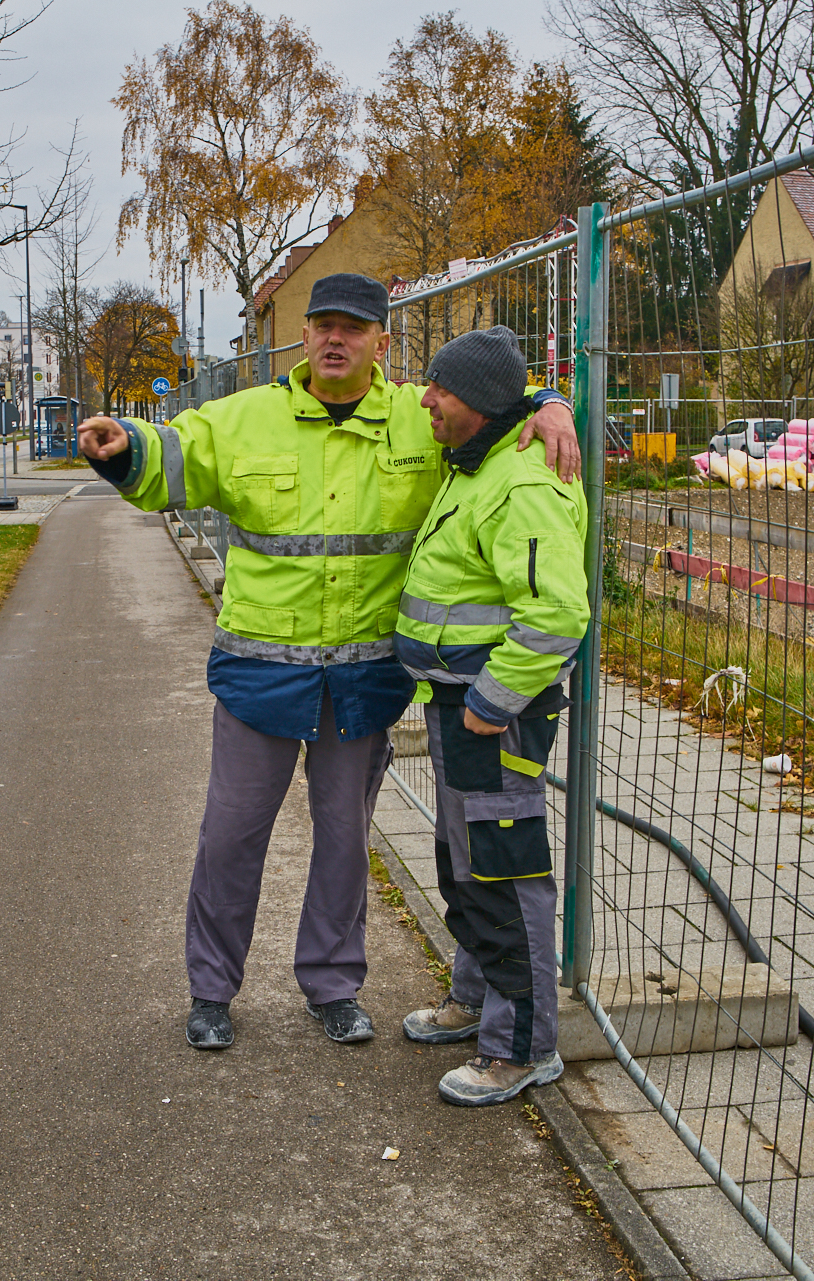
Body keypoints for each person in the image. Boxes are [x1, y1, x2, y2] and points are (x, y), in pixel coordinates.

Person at [77, 273, 578, 1051]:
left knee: (345, 840)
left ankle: (333, 986)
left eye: (353, 327)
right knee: (231, 836)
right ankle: (212, 990)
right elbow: (174, 459)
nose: (335, 339)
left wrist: (553, 404)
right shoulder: (246, 419)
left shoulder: (418, 421)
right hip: (260, 678)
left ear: (383, 341)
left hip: (363, 680)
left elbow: (494, 394)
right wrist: (125, 448)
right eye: (322, 326)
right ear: (303, 336)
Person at [392, 325, 590, 1105]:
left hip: (492, 711)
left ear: (477, 401)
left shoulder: (523, 483)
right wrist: (550, 396)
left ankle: (519, 1046)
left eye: (439, 388)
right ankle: (476, 999)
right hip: (461, 703)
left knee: (505, 873)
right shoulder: (476, 455)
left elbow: (554, 616)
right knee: (465, 860)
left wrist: (487, 705)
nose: (424, 399)